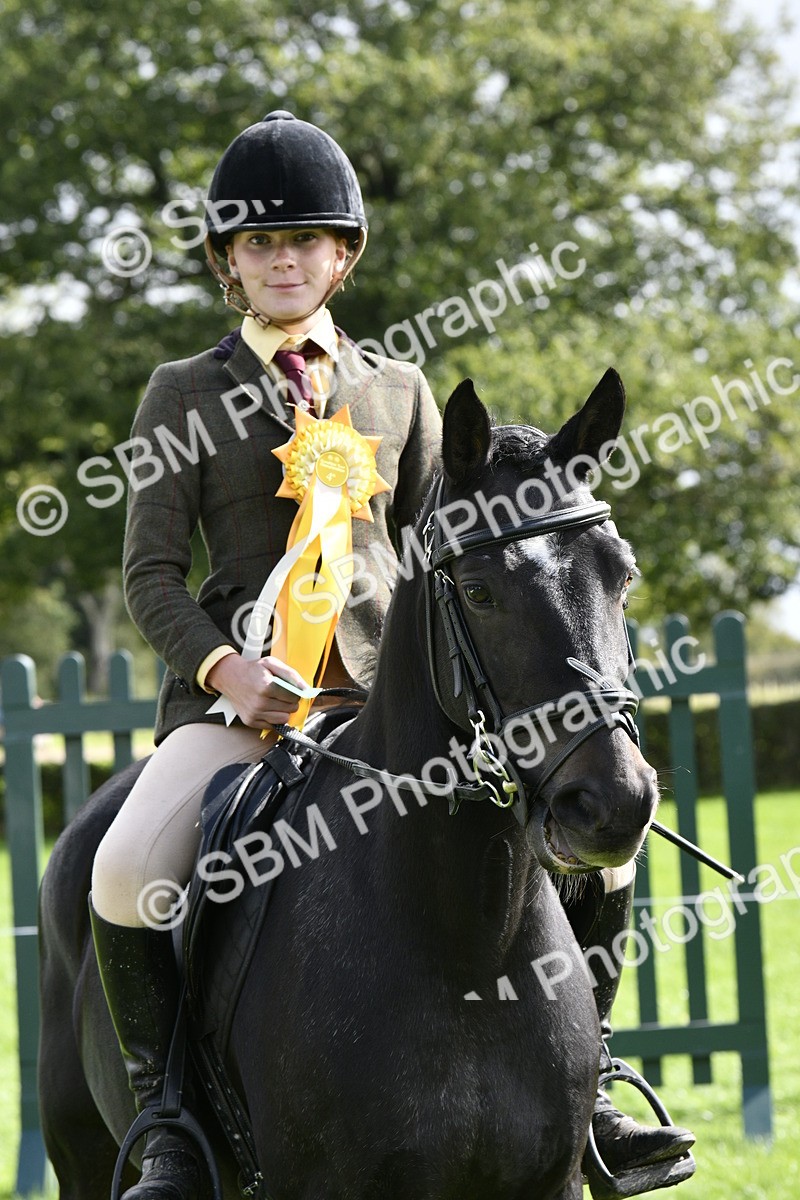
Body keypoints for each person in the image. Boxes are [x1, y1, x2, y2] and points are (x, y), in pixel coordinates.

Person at [89, 111, 692, 1200]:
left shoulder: (400, 393)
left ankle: (588, 1087)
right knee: (129, 871)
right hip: (241, 715)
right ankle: (171, 1122)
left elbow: (441, 557)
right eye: (259, 245)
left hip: (396, 713)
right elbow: (150, 578)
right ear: (229, 263)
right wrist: (222, 670)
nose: (284, 259)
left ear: (342, 256)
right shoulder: (182, 392)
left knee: (613, 854)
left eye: (305, 241)